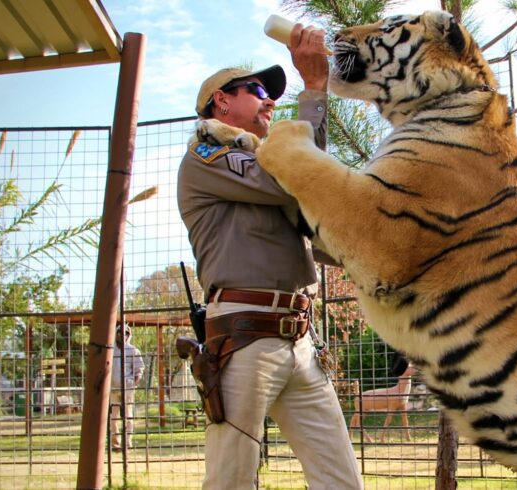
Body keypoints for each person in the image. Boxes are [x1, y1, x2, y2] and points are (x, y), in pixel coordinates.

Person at [176, 22, 363, 490]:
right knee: (231, 481)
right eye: (257, 88)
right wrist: (314, 89)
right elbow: (295, 178)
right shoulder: (206, 154)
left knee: (342, 481)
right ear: (220, 100)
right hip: (243, 336)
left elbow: (315, 205)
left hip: (302, 340)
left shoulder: (266, 160)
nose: (270, 99)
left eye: (270, 92)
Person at [110, 323, 144, 451]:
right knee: (113, 418)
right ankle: (115, 444)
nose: (122, 335)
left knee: (128, 417)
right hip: (112, 389)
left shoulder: (133, 350)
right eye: (119, 332)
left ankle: (127, 443)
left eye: (126, 333)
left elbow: (139, 369)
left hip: (127, 389)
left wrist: (134, 383)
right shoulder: (111, 349)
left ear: (128, 335)